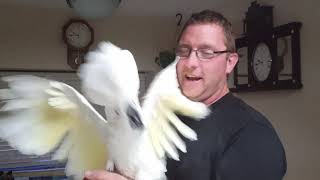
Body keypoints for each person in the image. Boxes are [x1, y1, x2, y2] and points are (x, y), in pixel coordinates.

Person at [84, 9, 287, 180]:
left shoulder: (253, 134)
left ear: (230, 62)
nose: (190, 62)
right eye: (184, 51)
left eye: (207, 52)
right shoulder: (168, 118)